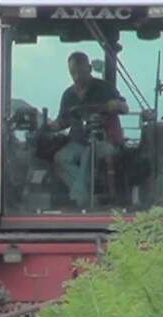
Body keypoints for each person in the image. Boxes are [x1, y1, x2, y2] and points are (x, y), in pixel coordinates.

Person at [48, 51, 128, 209]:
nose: (77, 77)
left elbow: (124, 107)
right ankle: (85, 196)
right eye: (73, 73)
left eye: (81, 72)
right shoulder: (68, 95)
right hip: (77, 141)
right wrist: (48, 126)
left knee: (88, 156)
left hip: (104, 140)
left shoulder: (104, 88)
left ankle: (82, 201)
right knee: (61, 158)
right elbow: (62, 121)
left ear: (90, 68)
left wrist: (114, 105)